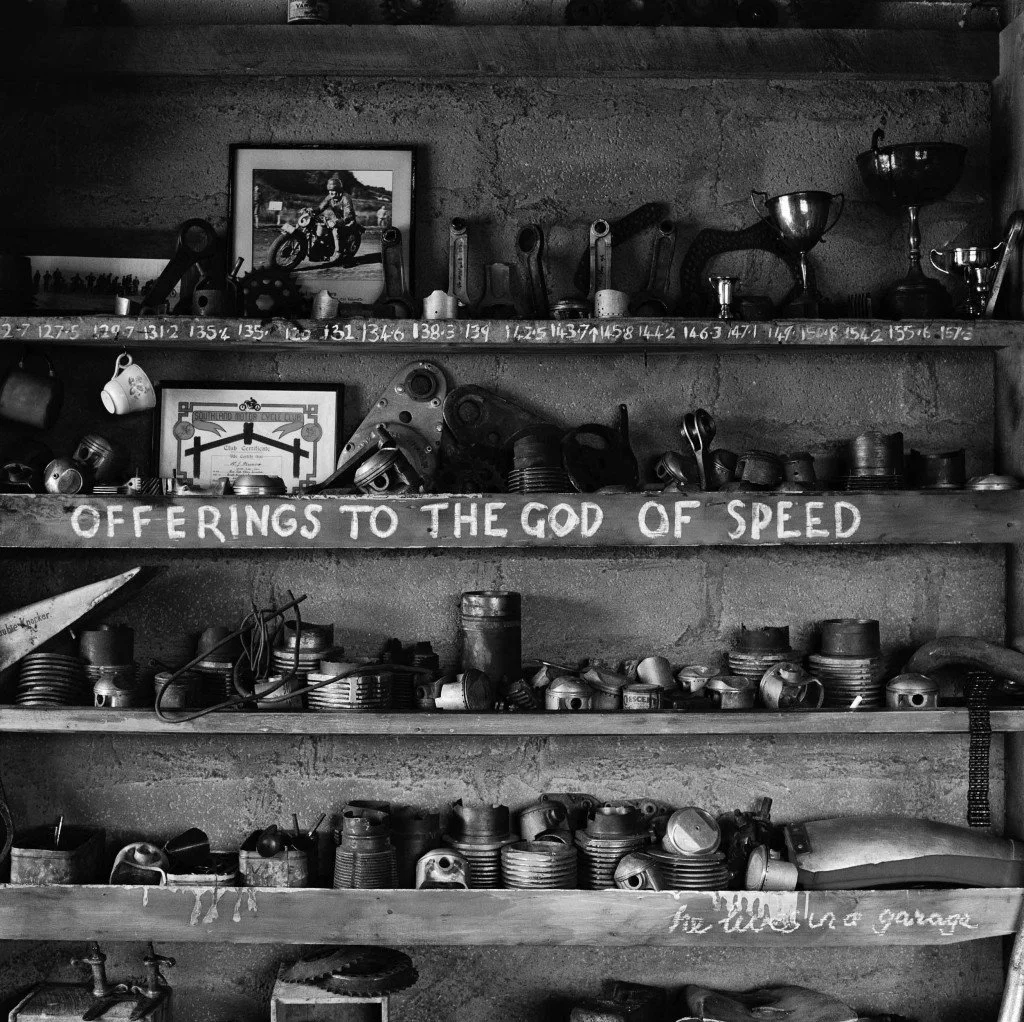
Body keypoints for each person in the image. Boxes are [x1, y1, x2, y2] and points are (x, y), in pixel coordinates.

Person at [319, 176, 357, 265]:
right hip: (336, 218)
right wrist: (312, 210)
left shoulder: (346, 198)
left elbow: (348, 213)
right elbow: (321, 207)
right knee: (319, 224)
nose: (331, 193)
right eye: (330, 190)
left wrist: (338, 222)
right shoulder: (330, 197)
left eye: (333, 190)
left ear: (339, 190)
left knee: (336, 231)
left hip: (348, 220)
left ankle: (338, 253)